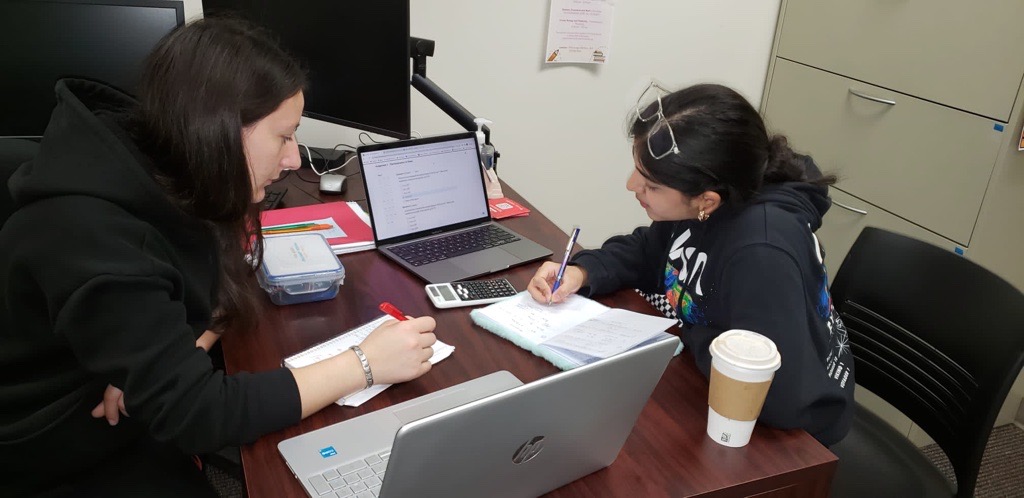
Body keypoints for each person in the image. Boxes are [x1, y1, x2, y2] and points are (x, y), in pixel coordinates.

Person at [0, 18, 437, 496]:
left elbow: (218, 288)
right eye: (284, 136)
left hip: (124, 398)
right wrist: (364, 363)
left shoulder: (174, 173)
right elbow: (198, 414)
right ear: (220, 131)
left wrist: (168, 353)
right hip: (55, 442)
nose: (294, 159)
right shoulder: (90, 234)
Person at [527, 82, 855, 446]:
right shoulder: (712, 200)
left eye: (651, 185)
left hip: (789, 438)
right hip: (712, 388)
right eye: (637, 170)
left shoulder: (762, 253)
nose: (631, 185)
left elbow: (776, 393)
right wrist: (583, 271)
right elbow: (651, 251)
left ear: (706, 201)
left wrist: (686, 332)